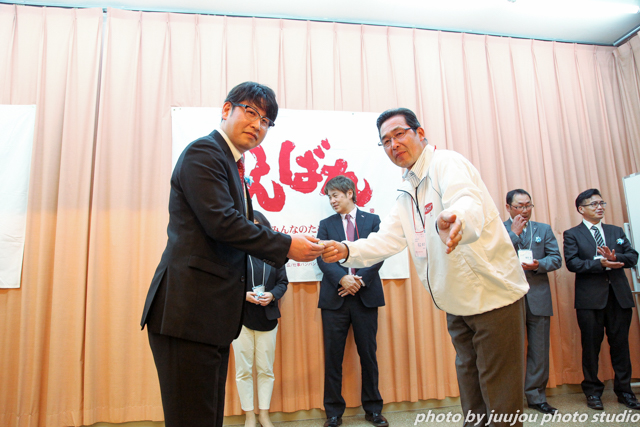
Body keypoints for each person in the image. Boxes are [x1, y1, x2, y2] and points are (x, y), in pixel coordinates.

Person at [321, 108, 529, 427]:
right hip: (456, 303)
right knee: (471, 390)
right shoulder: (408, 191)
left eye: (399, 134)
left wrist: (456, 219)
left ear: (420, 133)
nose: (393, 144)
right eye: (385, 141)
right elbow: (386, 240)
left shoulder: (446, 163)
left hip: (492, 296)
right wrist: (347, 250)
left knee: (500, 397)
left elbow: (467, 201)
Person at [140, 81, 324, 427]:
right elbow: (223, 223)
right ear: (227, 110)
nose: (257, 125)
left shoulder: (233, 165)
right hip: (187, 314)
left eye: (266, 121)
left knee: (207, 417)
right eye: (251, 112)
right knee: (192, 419)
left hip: (208, 316)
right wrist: (286, 245)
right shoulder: (204, 153)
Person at [316, 176, 388, 427]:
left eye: (335, 195)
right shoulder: (326, 225)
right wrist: (343, 279)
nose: (332, 201)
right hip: (335, 298)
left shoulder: (372, 220)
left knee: (368, 355)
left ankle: (373, 409)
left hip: (365, 297)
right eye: (329, 197)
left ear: (349, 193)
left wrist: (359, 280)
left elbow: (379, 253)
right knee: (333, 357)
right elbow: (322, 257)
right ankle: (333, 412)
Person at [563, 188, 639, 411]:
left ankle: (625, 392)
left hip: (619, 298)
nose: (599, 207)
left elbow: (633, 256)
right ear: (581, 209)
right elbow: (572, 263)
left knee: (621, 347)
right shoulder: (572, 234)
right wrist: (600, 264)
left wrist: (616, 257)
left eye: (601, 203)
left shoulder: (616, 231)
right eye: (594, 204)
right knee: (590, 347)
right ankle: (593, 392)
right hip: (590, 301)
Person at [504, 189, 562, 414]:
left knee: (539, 350)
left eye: (528, 205)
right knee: (508, 351)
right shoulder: (498, 229)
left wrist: (539, 264)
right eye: (519, 206)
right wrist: (514, 233)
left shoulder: (543, 229)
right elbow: (494, 258)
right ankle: (508, 398)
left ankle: (537, 397)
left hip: (538, 297)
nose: (525, 210)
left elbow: (556, 258)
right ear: (508, 207)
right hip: (509, 298)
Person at [232, 210, 289, 427]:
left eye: (257, 224)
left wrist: (272, 295)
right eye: (249, 224)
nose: (253, 228)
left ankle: (264, 414)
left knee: (266, 369)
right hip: (241, 318)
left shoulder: (274, 254)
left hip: (267, 317)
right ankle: (249, 416)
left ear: (265, 227)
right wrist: (242, 295)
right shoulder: (235, 252)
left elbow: (283, 283)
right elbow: (228, 282)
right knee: (243, 371)